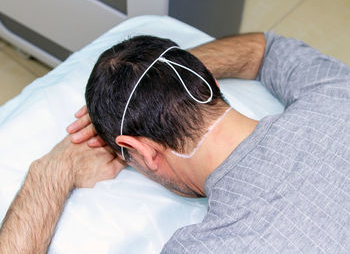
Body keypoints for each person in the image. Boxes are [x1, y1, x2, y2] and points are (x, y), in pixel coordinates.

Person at [0, 31, 350, 253]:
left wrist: (50, 172)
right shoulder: (335, 96)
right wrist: (172, 74)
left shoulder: (211, 247)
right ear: (207, 79)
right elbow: (266, 48)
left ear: (142, 151)